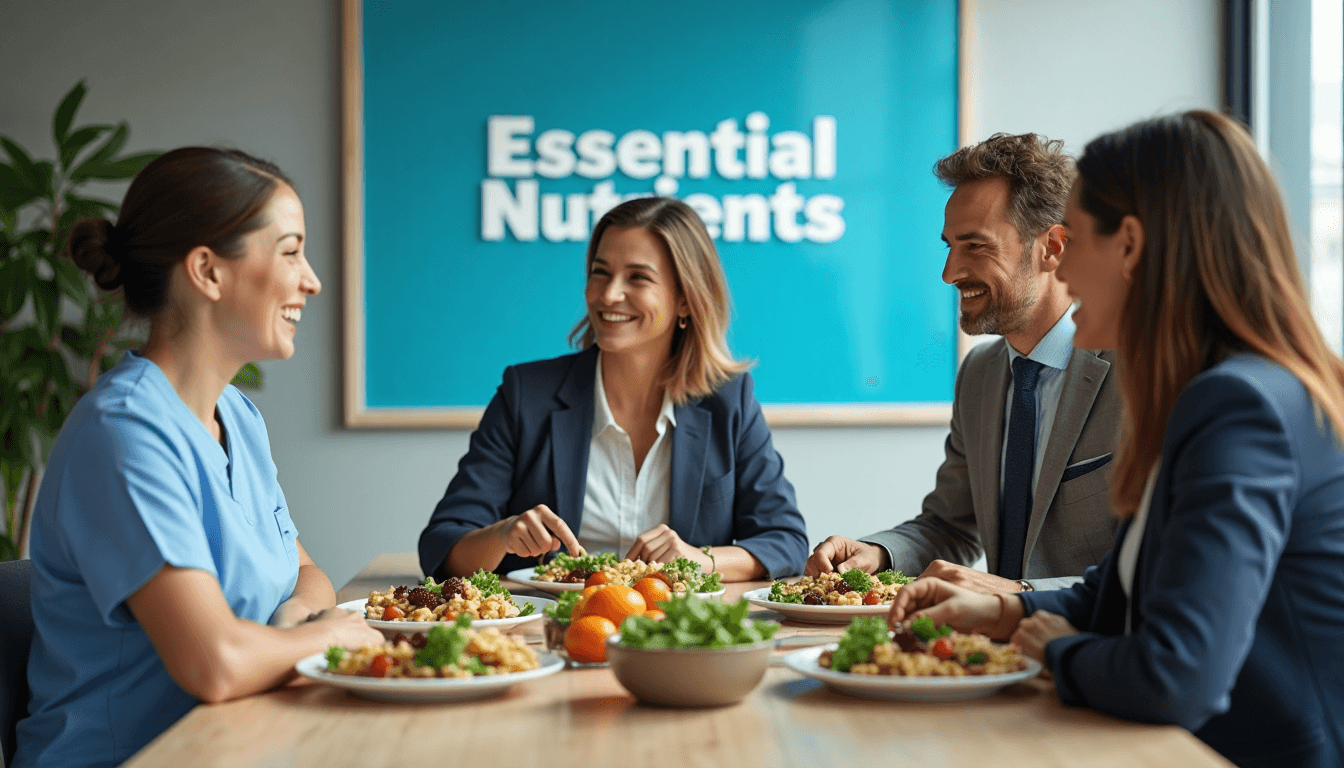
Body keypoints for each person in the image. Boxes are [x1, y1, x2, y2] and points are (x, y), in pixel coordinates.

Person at [890, 111, 1344, 768]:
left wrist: (1050, 648)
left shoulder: (1238, 403)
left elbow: (1176, 675)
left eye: (1080, 241)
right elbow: (1122, 591)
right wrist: (1006, 618)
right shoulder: (1204, 388)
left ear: (1128, 245)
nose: (1065, 274)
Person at [14, 148, 382, 768]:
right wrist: (330, 634)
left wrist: (294, 622)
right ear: (208, 272)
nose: (311, 280)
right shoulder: (124, 435)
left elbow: (304, 572)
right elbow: (215, 666)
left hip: (240, 745)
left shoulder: (235, 413)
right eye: (290, 252)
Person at [418, 197, 808, 582]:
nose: (607, 295)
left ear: (686, 300)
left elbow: (786, 541)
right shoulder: (526, 394)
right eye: (600, 273)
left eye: (638, 277)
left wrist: (699, 560)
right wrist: (502, 536)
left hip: (674, 632)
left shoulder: (729, 400)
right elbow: (442, 545)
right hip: (553, 626)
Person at [808, 133, 1122, 592]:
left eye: (975, 246)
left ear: (1053, 247)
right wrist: (878, 553)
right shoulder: (980, 374)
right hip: (987, 652)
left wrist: (1021, 595)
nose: (950, 272)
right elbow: (952, 527)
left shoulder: (1136, 371)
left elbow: (1153, 569)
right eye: (949, 246)